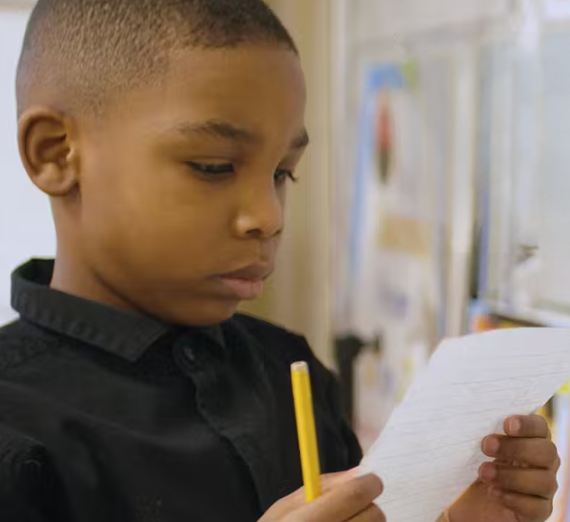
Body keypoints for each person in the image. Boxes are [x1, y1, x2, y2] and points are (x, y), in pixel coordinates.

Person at [0, 0, 559, 520]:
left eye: (282, 173)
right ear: (56, 153)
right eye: (214, 166)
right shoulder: (15, 426)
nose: (268, 216)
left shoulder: (287, 367)